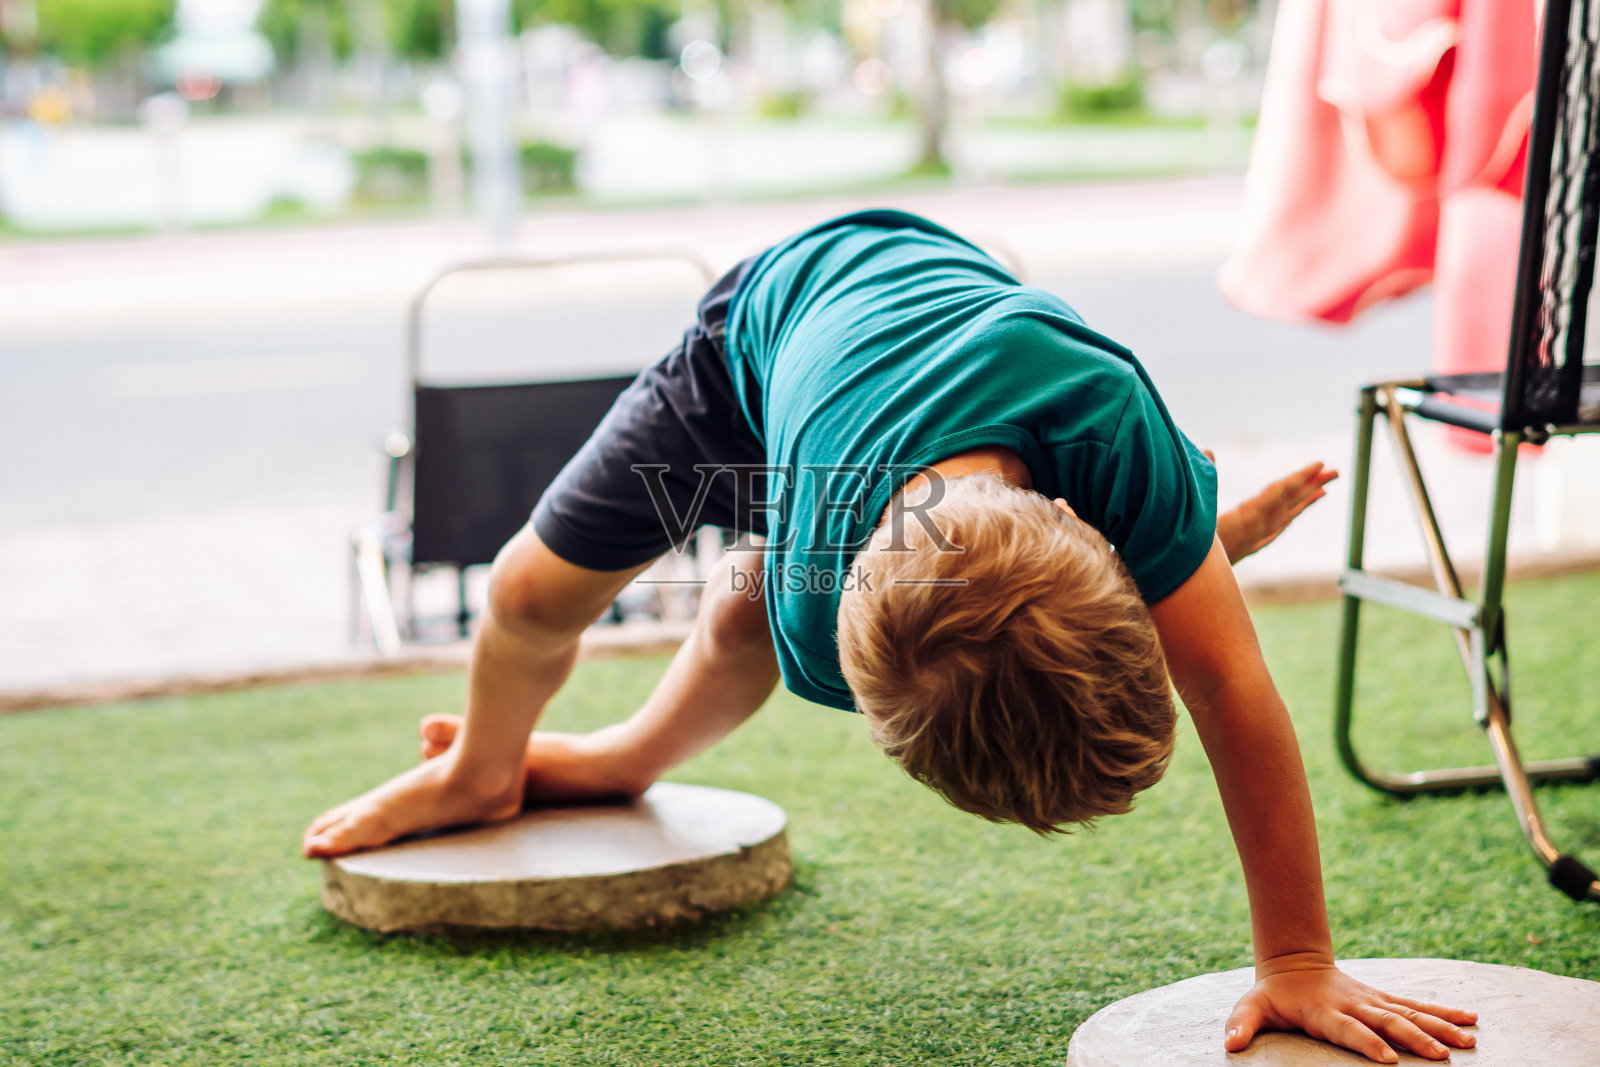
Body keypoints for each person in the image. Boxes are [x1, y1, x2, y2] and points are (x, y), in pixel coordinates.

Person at [302, 210, 1476, 1063]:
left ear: (1082, 520)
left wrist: (1297, 958)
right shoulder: (812, 609)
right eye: (1148, 556)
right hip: (753, 346)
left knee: (1164, 538)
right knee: (527, 594)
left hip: (963, 328)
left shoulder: (1109, 423)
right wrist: (1181, 561)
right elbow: (732, 623)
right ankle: (482, 766)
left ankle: (1184, 550)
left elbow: (1233, 694)